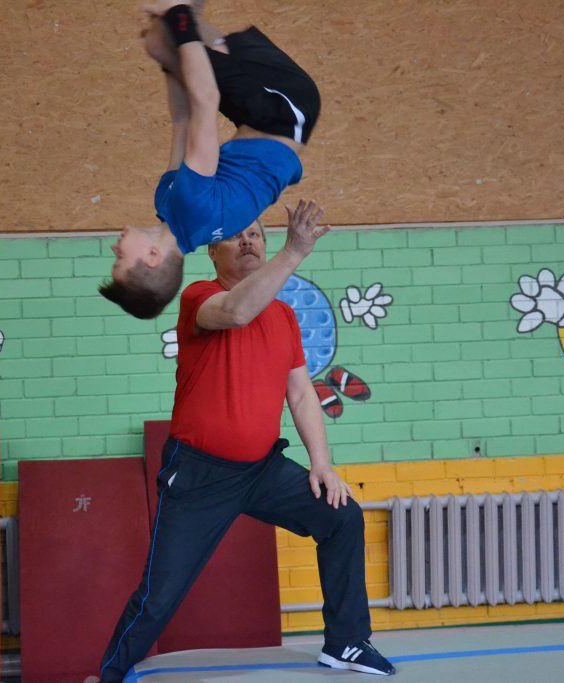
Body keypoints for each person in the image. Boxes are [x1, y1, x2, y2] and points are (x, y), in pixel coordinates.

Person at [87, 200, 396, 682]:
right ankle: (107, 675)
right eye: (236, 235)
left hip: (262, 470)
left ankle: (346, 642)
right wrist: (295, 251)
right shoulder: (200, 297)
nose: (248, 240)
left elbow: (301, 393)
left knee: (341, 517)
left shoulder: (285, 317)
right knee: (160, 593)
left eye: (256, 233)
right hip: (199, 476)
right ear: (213, 252)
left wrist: (322, 464)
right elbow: (235, 311)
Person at [99, 1, 321, 319]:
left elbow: (183, 122)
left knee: (161, 42)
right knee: (172, 27)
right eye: (120, 259)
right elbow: (205, 101)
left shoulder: (169, 206)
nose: (115, 249)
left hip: (260, 115)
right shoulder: (192, 207)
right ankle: (182, 8)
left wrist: (170, 66)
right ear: (152, 256)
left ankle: (183, 12)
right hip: (284, 107)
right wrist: (177, 17)